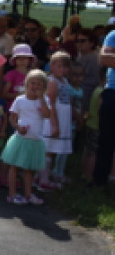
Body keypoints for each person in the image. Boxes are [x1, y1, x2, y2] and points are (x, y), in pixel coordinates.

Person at [1, 69, 51, 205]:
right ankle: (12, 194)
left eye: (39, 84)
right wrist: (17, 127)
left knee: (29, 169)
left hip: (36, 140)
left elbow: (47, 115)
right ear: (26, 84)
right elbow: (13, 118)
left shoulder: (44, 100)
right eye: (32, 83)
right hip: (21, 139)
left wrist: (41, 99)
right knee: (15, 167)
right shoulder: (20, 100)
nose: (35, 87)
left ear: (44, 87)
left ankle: (28, 194)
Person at [41, 51, 76, 189]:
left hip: (64, 117)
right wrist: (55, 125)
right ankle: (43, 177)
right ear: (52, 66)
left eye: (65, 66)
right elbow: (51, 104)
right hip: (54, 118)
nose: (62, 69)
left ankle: (50, 174)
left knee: (54, 149)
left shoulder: (65, 81)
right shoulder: (52, 82)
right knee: (48, 149)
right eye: (59, 66)